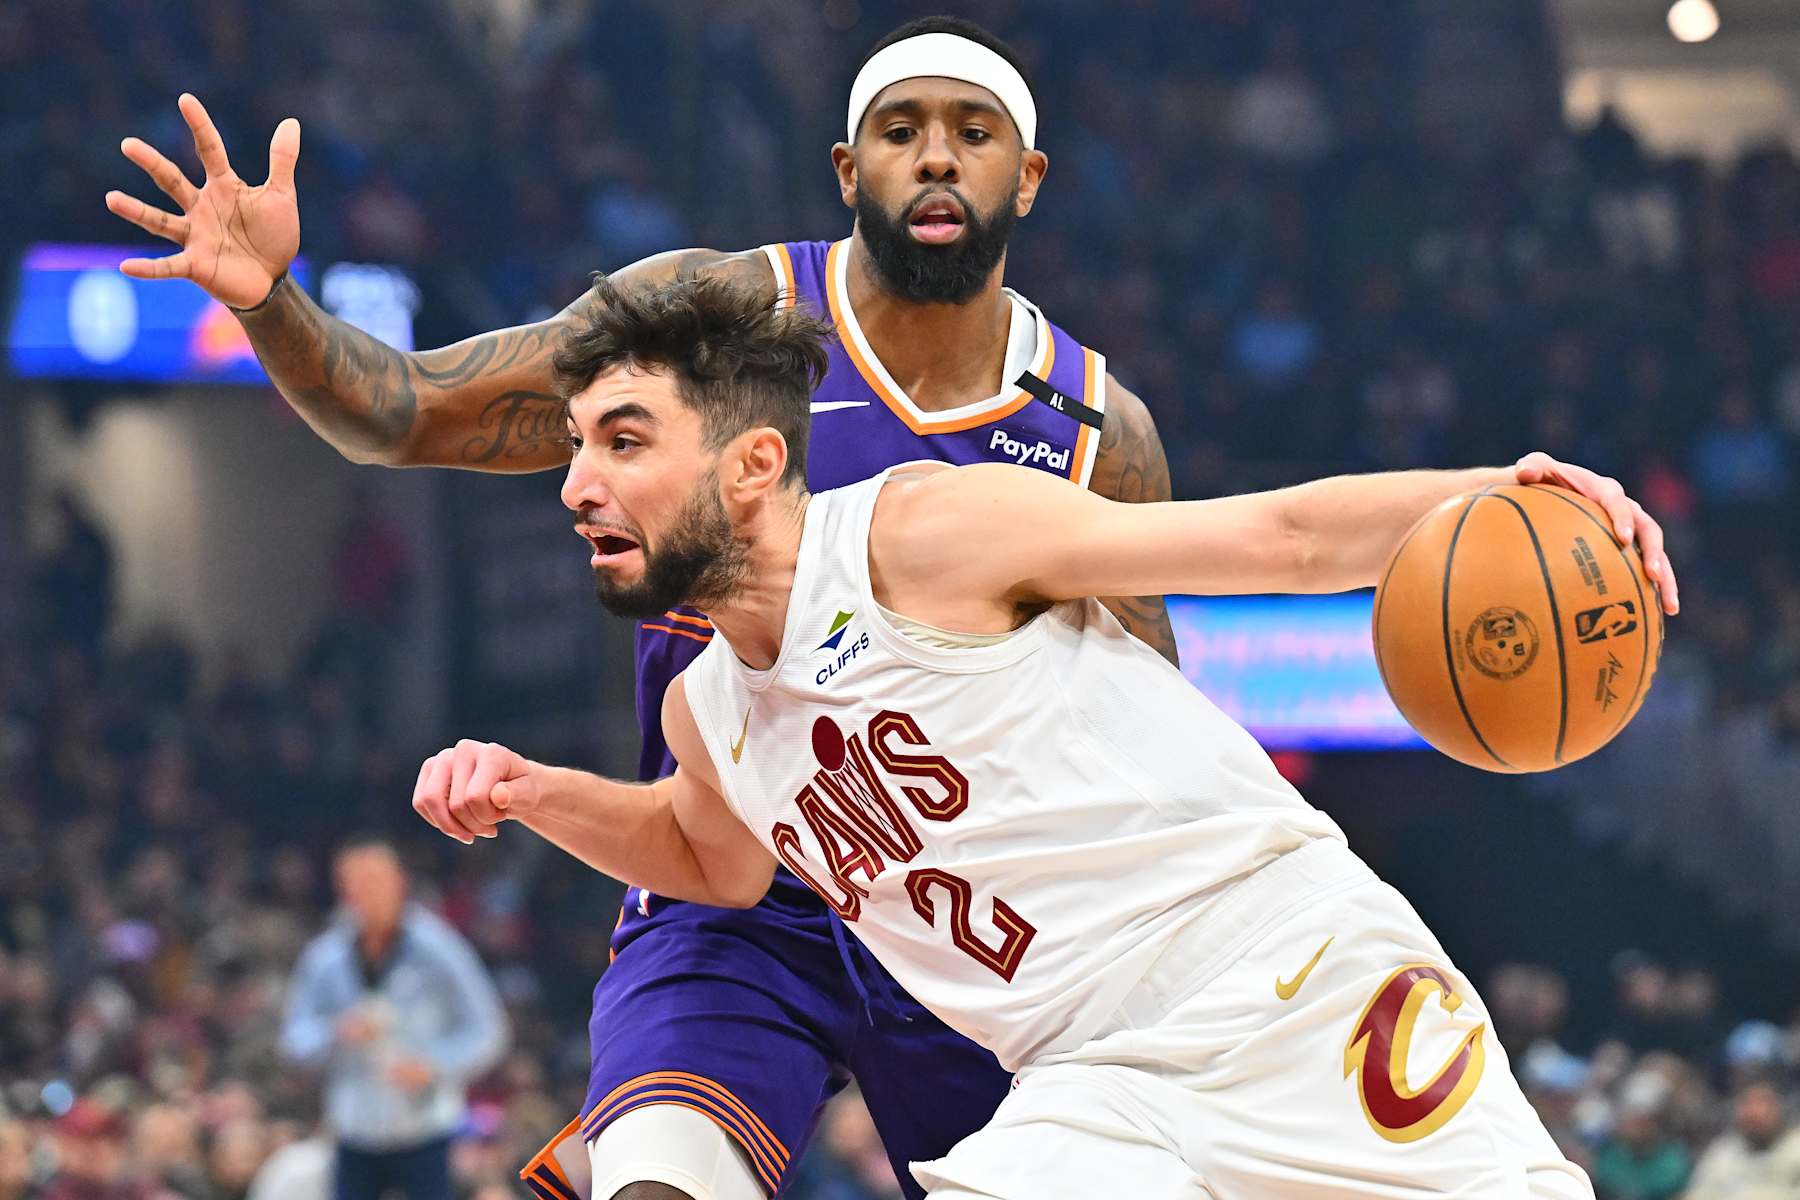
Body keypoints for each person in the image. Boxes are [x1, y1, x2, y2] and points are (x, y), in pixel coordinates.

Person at [105, 17, 1177, 1200]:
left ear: (1027, 178)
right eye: (900, 130)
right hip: (733, 891)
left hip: (970, 914)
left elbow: (1151, 743)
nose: (934, 157)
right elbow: (409, 408)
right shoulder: (713, 319)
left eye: (972, 133)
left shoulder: (1095, 431)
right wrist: (270, 302)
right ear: (845, 167)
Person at [409, 273, 1682, 1198]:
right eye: (575, 447)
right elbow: (707, 858)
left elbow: (1281, 538)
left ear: (748, 466)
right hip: (1090, 1080)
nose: (575, 484)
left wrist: (1503, 493)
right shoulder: (708, 709)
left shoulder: (918, 536)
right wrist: (531, 792)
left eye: (623, 442)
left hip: (1284, 974)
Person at [281, 838, 509, 1200]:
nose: (366, 894)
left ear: (400, 882)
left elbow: (487, 1028)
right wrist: (335, 1032)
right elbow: (295, 1038)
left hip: (425, 1128)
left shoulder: (439, 950)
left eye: (376, 881)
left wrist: (434, 1066)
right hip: (354, 1129)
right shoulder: (325, 958)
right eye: (355, 883)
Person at [1683, 1079, 1800, 1199]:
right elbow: (1698, 1193)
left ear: (1779, 1107)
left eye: (1762, 1102)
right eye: (1746, 1104)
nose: (1753, 1112)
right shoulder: (1723, 1152)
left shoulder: (1796, 1148)